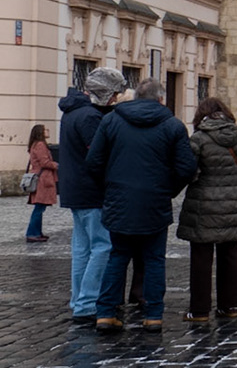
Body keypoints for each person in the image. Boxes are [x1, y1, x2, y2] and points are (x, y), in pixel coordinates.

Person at [86, 77, 197, 333]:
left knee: (118, 256)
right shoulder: (172, 125)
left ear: (135, 97)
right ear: (161, 100)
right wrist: (167, 191)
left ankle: (105, 313)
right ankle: (153, 315)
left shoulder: (111, 120)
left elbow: (93, 162)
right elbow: (186, 168)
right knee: (154, 259)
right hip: (154, 201)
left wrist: (111, 187)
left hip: (119, 200)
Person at [176, 97, 237, 323]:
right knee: (230, 254)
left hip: (203, 205)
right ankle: (230, 306)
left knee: (201, 257)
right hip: (232, 205)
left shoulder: (199, 139)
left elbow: (189, 171)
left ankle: (199, 310)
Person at [59, 66, 124, 324]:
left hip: (75, 190)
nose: (115, 100)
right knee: (102, 247)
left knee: (82, 248)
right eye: (114, 95)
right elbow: (98, 156)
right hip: (91, 192)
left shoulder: (72, 113)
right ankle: (87, 302)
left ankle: (79, 300)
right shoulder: (89, 117)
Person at [24, 123, 56, 242]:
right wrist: (56, 165)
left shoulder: (35, 144)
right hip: (42, 179)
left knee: (40, 207)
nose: (47, 131)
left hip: (39, 177)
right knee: (39, 208)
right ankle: (32, 233)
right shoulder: (40, 145)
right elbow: (45, 162)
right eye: (45, 130)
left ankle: (37, 232)